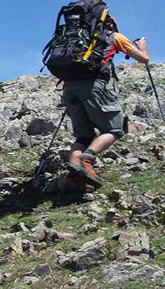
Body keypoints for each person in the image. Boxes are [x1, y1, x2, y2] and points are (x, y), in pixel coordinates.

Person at [63, 35, 150, 192]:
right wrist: (142, 46)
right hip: (93, 85)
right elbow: (143, 59)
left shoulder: (74, 36)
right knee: (113, 130)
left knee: (83, 136)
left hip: (69, 88)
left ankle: (75, 175)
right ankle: (87, 160)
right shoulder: (113, 36)